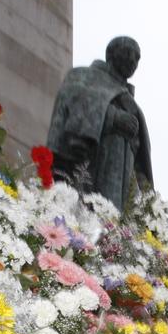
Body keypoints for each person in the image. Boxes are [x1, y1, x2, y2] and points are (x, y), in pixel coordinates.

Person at [46, 36, 152, 211]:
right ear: (110, 55)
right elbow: (75, 100)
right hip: (92, 163)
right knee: (89, 213)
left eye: (137, 57)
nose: (132, 60)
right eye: (127, 53)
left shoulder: (127, 97)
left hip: (121, 174)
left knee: (113, 221)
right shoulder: (85, 75)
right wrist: (113, 117)